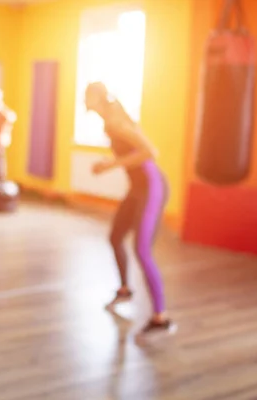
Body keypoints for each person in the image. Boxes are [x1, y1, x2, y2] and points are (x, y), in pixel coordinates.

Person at [84, 82, 175, 336]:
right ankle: (124, 290)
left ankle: (161, 316)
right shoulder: (110, 123)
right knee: (115, 237)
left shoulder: (115, 122)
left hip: (151, 187)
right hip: (137, 189)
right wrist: (110, 163)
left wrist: (110, 166)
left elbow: (150, 152)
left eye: (87, 96)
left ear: (97, 97)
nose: (83, 101)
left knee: (142, 250)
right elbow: (132, 155)